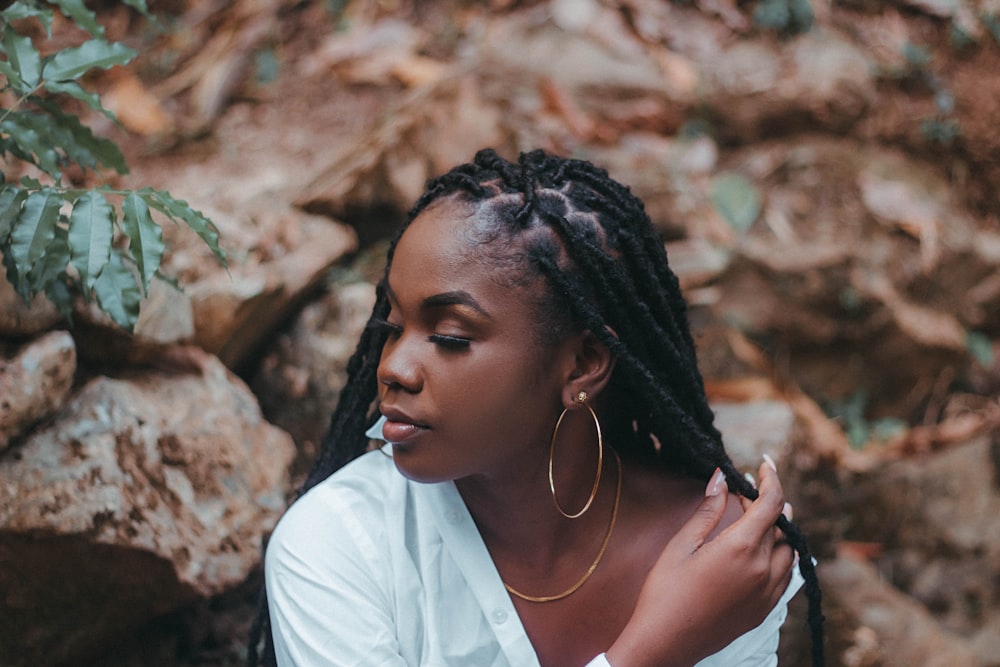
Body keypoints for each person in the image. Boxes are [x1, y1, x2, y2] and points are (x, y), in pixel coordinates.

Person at [248, 149, 824, 667]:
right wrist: (654, 649)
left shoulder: (721, 556)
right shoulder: (342, 546)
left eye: (449, 336)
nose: (394, 367)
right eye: (392, 326)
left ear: (581, 366)